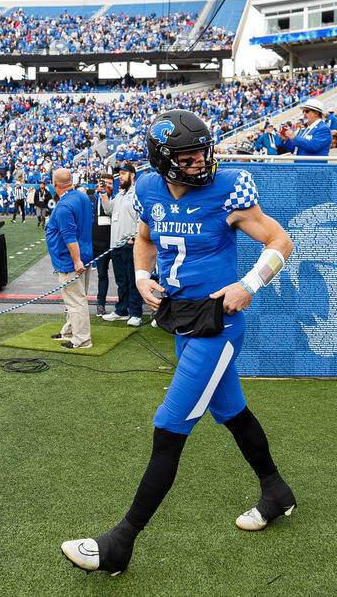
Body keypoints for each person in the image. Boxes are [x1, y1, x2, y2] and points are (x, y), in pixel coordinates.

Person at [61, 109, 296, 575]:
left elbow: (279, 239)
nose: (199, 163)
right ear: (164, 160)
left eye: (201, 153)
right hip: (180, 318)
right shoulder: (147, 188)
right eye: (187, 157)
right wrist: (145, 276)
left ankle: (120, 542)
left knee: (168, 429)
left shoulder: (228, 187)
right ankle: (277, 492)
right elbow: (145, 239)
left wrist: (249, 282)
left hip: (218, 323)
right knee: (231, 411)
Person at [44, 168, 94, 349]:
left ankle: (82, 340)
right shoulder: (83, 197)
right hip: (84, 255)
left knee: (75, 301)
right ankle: (69, 331)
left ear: (54, 183)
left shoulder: (64, 206)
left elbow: (69, 237)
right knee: (76, 297)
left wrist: (76, 260)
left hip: (71, 261)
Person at [98, 162, 143, 327]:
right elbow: (109, 210)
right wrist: (104, 194)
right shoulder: (120, 195)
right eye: (120, 174)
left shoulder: (137, 193)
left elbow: (142, 217)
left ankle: (136, 313)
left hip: (130, 244)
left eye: (123, 173)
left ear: (132, 175)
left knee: (132, 280)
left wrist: (135, 237)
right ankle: (121, 310)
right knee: (121, 281)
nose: (120, 176)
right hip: (116, 245)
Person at [91, 172, 114, 316]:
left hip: (116, 243)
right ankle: (101, 304)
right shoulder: (91, 199)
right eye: (104, 183)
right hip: (97, 244)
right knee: (102, 275)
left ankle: (124, 305)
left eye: (110, 183)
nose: (107, 186)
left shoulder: (118, 199)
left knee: (122, 277)